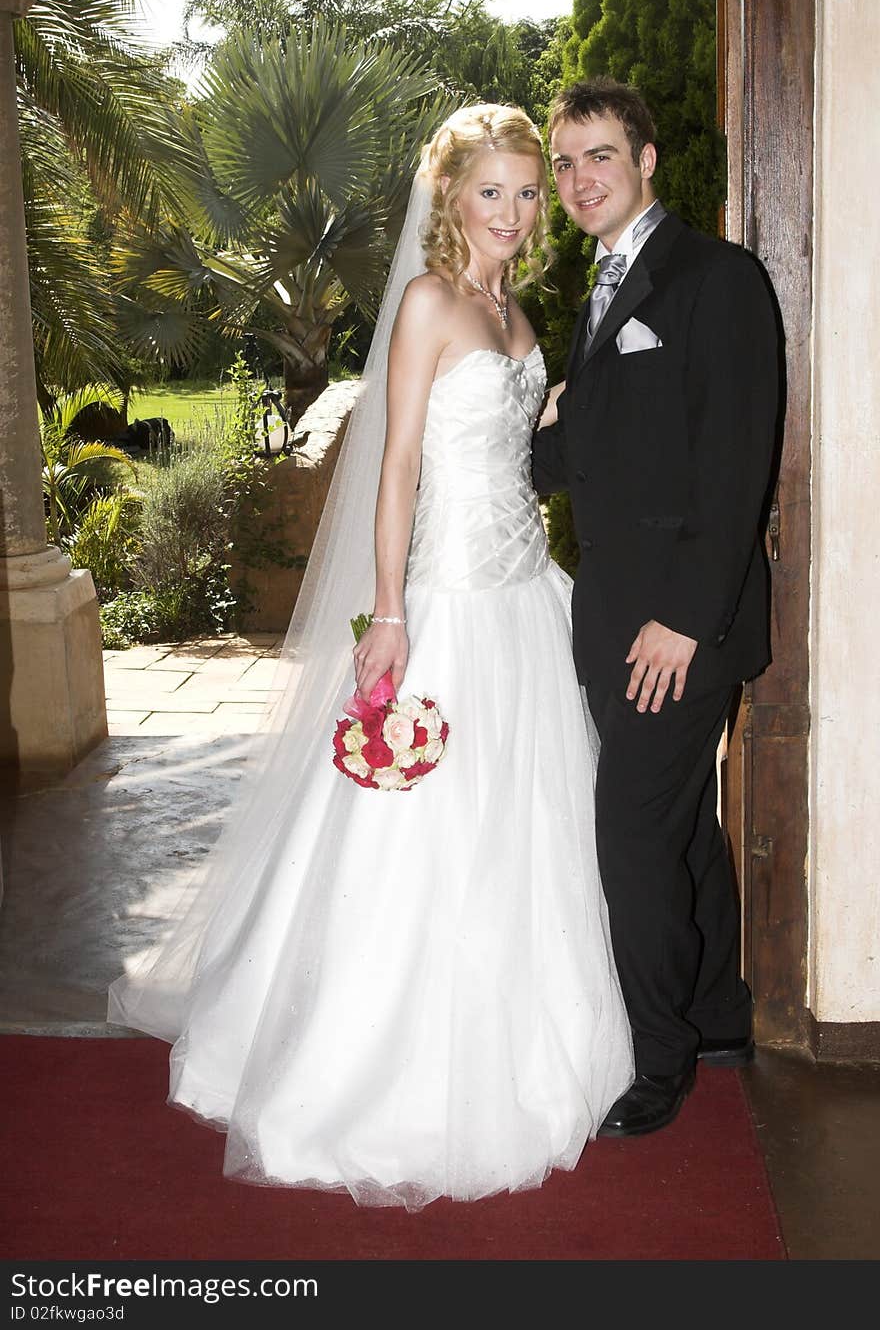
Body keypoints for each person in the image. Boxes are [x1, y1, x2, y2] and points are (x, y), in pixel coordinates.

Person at [108, 104, 633, 1210]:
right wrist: (388, 613)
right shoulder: (430, 302)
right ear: (449, 197)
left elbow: (508, 439)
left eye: (528, 192)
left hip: (524, 597)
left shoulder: (513, 306)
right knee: (419, 830)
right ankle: (367, 1067)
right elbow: (396, 464)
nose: (515, 211)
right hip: (443, 598)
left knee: (527, 820)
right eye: (492, 191)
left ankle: (531, 1040)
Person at [532, 77, 780, 1138]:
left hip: (682, 626)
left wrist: (683, 618)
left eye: (599, 156)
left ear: (645, 162)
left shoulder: (716, 278)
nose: (580, 179)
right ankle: (717, 1012)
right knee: (676, 829)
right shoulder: (593, 292)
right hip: (614, 618)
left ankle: (656, 1056)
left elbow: (734, 466)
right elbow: (578, 464)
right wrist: (542, 418)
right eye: (566, 163)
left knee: (629, 832)